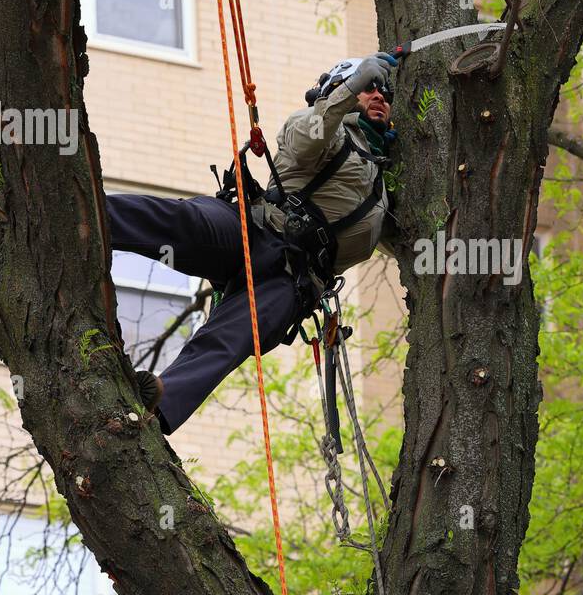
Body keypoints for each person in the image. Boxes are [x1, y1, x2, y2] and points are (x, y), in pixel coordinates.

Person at [105, 52, 399, 434]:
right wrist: (349, 88)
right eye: (369, 87)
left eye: (385, 94)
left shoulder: (382, 192)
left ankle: (160, 405)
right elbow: (306, 140)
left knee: (236, 335)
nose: (378, 96)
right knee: (183, 222)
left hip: (292, 281)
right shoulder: (322, 126)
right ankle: (91, 214)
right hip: (256, 230)